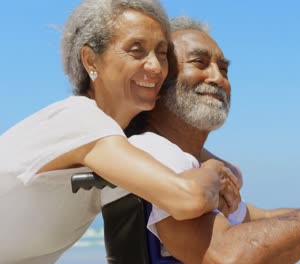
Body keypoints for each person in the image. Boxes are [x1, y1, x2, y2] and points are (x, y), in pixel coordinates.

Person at [116, 16, 300, 264]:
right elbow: (224, 256)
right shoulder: (156, 153)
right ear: (159, 78)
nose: (218, 78)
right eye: (200, 63)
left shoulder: (198, 166)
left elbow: (260, 220)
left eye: (224, 69)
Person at [0, 1, 240, 263]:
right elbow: (187, 198)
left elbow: (219, 169)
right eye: (136, 51)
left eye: (161, 53)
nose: (155, 67)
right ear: (91, 60)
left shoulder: (116, 138)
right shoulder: (80, 121)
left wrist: (223, 172)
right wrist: (214, 171)